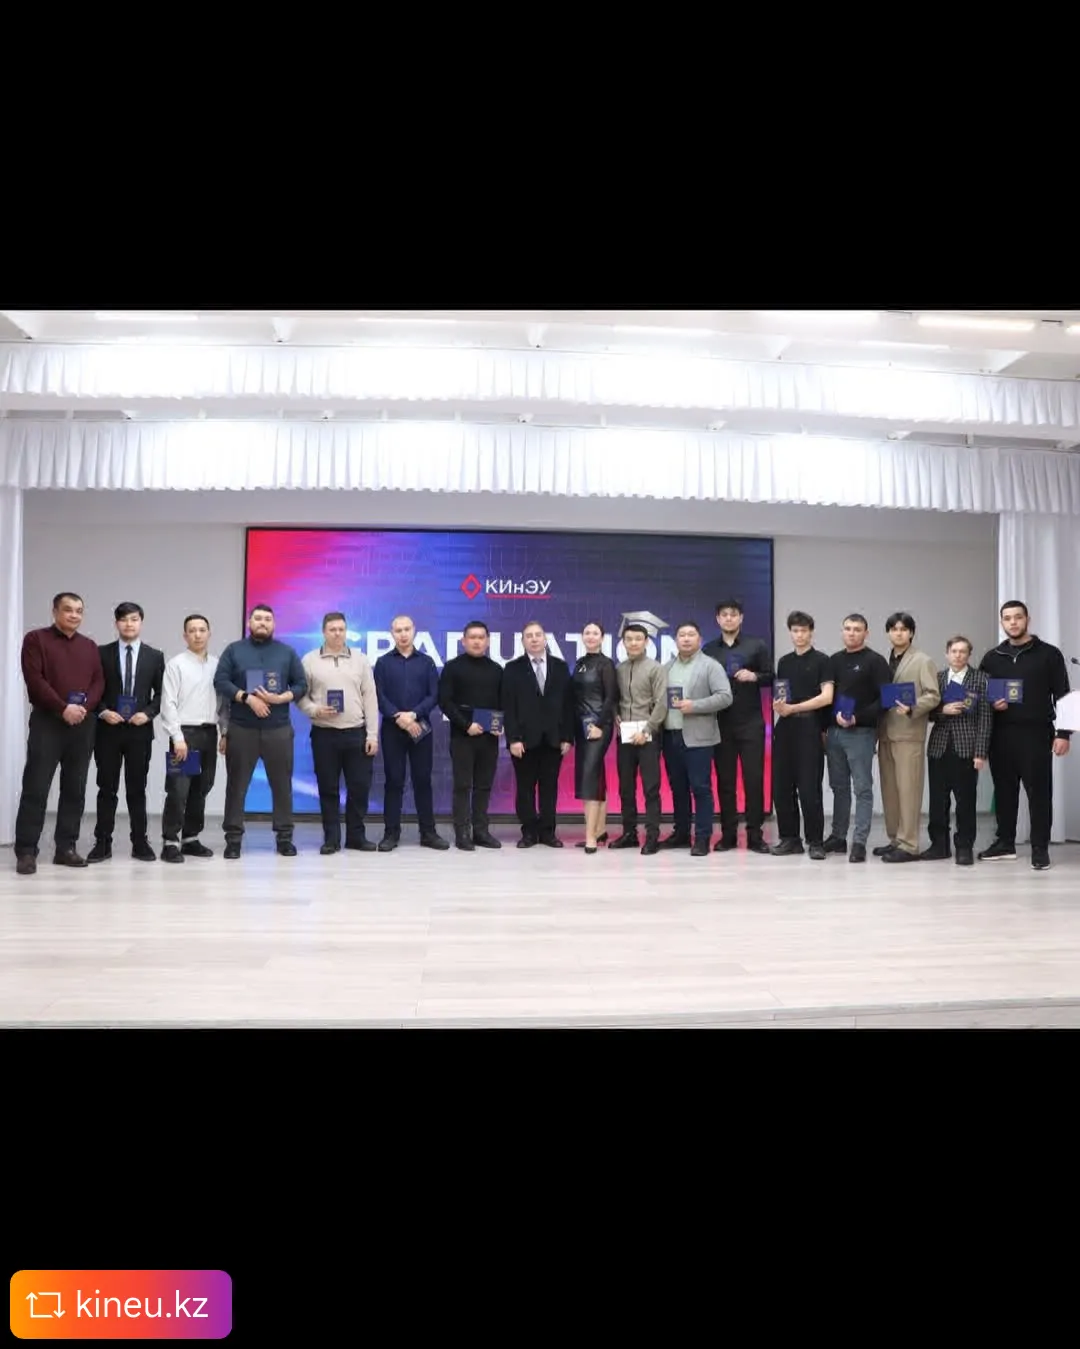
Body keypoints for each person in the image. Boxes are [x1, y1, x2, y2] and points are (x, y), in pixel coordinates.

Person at [13, 592, 105, 874]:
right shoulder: (36, 640)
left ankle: (66, 848)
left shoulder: (89, 646)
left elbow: (98, 681)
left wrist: (83, 708)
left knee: (75, 788)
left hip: (82, 725)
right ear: (55, 612)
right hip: (48, 723)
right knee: (36, 787)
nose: (74, 615)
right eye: (68, 609)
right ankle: (26, 851)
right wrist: (63, 708)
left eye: (79, 610)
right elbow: (34, 680)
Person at [978, 601, 1071, 871]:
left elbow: (1063, 695)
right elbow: (982, 695)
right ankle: (1005, 843)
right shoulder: (992, 657)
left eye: (1018, 617)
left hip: (1036, 733)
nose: (1013, 622)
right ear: (1002, 623)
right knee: (1004, 792)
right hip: (1001, 735)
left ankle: (1040, 849)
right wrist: (992, 703)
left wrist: (1064, 733)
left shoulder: (1049, 654)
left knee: (1039, 793)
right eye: (1007, 618)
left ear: (1027, 619)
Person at [214, 603, 307, 859]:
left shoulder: (286, 652)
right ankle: (233, 840)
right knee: (236, 786)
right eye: (258, 618)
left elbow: (301, 685)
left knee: (282, 786)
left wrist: (281, 698)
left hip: (278, 729)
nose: (262, 623)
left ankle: (284, 838)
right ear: (249, 623)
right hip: (242, 729)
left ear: (273, 624)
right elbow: (220, 681)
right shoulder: (234, 650)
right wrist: (247, 698)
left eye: (267, 619)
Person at [88, 602, 167, 863]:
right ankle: (102, 842)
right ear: (116, 623)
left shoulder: (154, 656)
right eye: (123, 619)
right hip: (107, 730)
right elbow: (92, 689)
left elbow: (162, 694)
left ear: (141, 622)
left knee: (137, 788)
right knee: (106, 788)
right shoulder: (101, 653)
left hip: (139, 731)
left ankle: (140, 842)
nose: (129, 624)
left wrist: (148, 713)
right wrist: (102, 711)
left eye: (134, 619)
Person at [298, 612, 380, 856]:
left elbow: (370, 697)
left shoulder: (360, 660)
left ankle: (356, 836)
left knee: (359, 787)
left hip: (356, 733)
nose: (337, 633)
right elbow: (300, 695)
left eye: (341, 629)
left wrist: (372, 735)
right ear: (324, 632)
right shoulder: (309, 660)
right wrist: (314, 709)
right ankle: (331, 839)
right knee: (328, 788)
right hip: (324, 735)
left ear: (346, 631)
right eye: (332, 629)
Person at [703, 598, 774, 854]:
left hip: (751, 722)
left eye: (733, 614)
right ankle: (728, 835)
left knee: (754, 780)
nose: (729, 618)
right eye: (724, 614)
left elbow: (771, 676)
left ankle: (755, 835)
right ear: (718, 619)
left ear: (741, 618)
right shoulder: (709, 649)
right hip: (721, 723)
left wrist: (754, 676)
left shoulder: (757, 645)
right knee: (725, 782)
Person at [372, 615, 448, 851]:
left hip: (420, 728)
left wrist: (414, 715)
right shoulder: (383, 663)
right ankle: (391, 834)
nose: (403, 634)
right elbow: (379, 696)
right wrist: (399, 717)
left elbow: (434, 695)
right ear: (391, 633)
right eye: (398, 630)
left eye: (407, 629)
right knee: (394, 781)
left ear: (414, 631)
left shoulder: (427, 662)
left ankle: (428, 833)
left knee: (422, 780)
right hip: (392, 729)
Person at [159, 613, 231, 863]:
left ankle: (190, 838)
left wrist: (224, 732)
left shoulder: (218, 665)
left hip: (209, 733)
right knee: (179, 790)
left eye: (202, 630)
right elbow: (168, 703)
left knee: (202, 788)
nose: (198, 635)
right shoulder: (176, 665)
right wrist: (177, 737)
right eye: (192, 630)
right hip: (185, 735)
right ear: (185, 635)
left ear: (209, 634)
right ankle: (170, 841)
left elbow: (223, 703)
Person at [822, 614, 892, 863]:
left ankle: (859, 841)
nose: (851, 633)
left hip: (861, 732)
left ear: (866, 633)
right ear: (842, 631)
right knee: (839, 787)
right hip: (834, 733)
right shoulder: (833, 660)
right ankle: (838, 837)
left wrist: (857, 718)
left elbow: (886, 699)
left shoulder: (875, 661)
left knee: (862, 788)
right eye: (848, 628)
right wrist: (826, 726)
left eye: (857, 629)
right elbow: (827, 697)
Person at [660, 622, 733, 855]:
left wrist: (695, 705)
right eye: (681, 635)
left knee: (700, 788)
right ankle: (681, 833)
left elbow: (725, 697)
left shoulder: (710, 665)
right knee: (678, 788)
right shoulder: (666, 667)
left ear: (699, 639)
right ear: (675, 640)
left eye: (691, 634)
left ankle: (702, 837)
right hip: (670, 735)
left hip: (698, 738)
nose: (686, 638)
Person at [874, 612, 940, 863]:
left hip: (909, 733)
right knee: (890, 791)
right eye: (894, 629)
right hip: (885, 733)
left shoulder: (922, 660)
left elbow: (933, 695)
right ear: (888, 633)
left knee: (909, 791)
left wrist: (913, 708)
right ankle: (895, 839)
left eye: (903, 629)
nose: (898, 633)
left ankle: (910, 844)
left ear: (911, 633)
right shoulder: (885, 662)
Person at [503, 621, 575, 848]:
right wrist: (513, 738)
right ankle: (529, 832)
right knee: (525, 788)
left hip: (553, 740)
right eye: (529, 636)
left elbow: (568, 705)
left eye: (538, 635)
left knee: (549, 788)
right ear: (523, 641)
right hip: (523, 741)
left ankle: (548, 832)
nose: (534, 639)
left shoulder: (560, 667)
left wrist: (567, 737)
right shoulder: (512, 668)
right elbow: (509, 707)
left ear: (545, 639)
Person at [770, 611, 835, 860]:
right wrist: (779, 706)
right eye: (795, 631)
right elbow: (782, 694)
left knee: (809, 788)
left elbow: (826, 697)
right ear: (790, 633)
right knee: (782, 786)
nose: (799, 635)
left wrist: (794, 708)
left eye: (803, 630)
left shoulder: (822, 660)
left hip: (809, 727)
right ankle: (789, 839)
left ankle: (815, 841)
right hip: (785, 727)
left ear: (811, 632)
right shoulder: (784, 662)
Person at [923, 636, 992, 867]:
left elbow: (985, 719)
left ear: (969, 655)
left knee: (965, 801)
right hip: (939, 747)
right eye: (954, 651)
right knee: (937, 800)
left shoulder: (981, 679)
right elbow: (927, 713)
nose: (958, 655)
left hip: (967, 748)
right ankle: (939, 845)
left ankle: (964, 847)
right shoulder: (937, 678)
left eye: (963, 651)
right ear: (947, 654)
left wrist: (980, 753)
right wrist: (942, 710)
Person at [438, 620, 504, 851]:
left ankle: (481, 831)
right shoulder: (452, 668)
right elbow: (445, 701)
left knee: (484, 786)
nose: (477, 641)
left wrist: (500, 724)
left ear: (488, 641)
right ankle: (462, 833)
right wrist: (466, 725)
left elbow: (503, 702)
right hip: (463, 736)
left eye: (481, 637)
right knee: (463, 785)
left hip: (489, 738)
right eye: (472, 637)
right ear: (463, 641)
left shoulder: (496, 670)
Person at [608, 622, 667, 855]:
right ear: (623, 642)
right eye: (629, 639)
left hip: (648, 736)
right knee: (626, 787)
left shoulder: (656, 668)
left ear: (646, 642)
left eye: (638, 639)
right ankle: (629, 833)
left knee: (651, 788)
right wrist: (615, 715)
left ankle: (652, 836)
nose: (633, 643)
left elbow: (662, 703)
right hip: (625, 735)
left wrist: (647, 730)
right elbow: (613, 698)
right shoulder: (619, 669)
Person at [571, 622, 618, 853]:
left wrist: (599, 725)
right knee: (594, 776)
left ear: (602, 637)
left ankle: (590, 837)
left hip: (599, 726)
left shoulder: (606, 664)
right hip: (581, 727)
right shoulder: (579, 663)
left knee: (589, 777)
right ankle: (599, 830)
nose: (590, 636)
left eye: (595, 633)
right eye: (587, 633)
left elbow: (611, 698)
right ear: (582, 637)